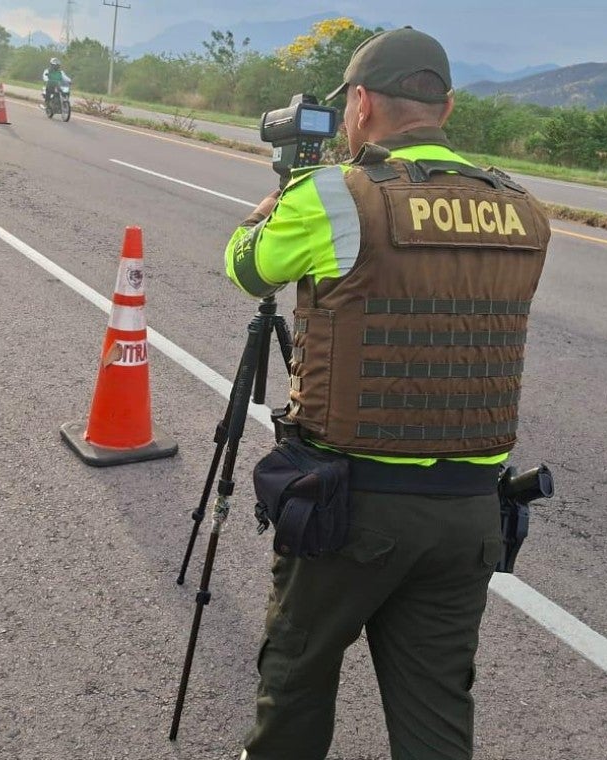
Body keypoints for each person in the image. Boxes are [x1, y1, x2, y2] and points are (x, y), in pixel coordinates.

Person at [224, 26, 551, 760]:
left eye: (348, 106)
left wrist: (275, 200)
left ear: (363, 103)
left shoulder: (338, 195)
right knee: (436, 703)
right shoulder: (522, 210)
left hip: (351, 508)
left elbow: (247, 269)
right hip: (470, 514)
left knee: (298, 673)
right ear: (447, 106)